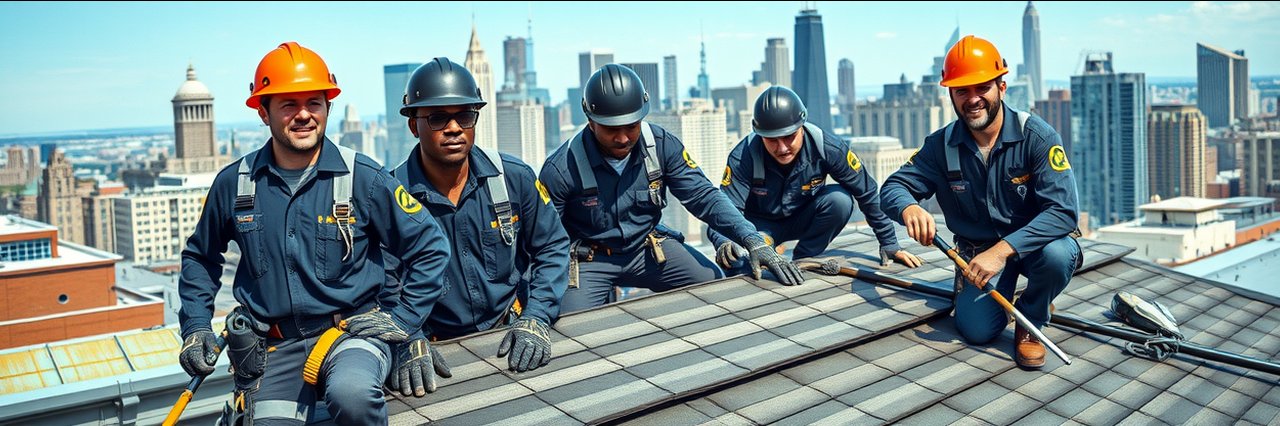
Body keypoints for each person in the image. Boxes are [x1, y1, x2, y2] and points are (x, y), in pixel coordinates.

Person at [177, 41, 451, 424]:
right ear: (263, 111)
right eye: (289, 104)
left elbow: (430, 246)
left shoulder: (362, 178)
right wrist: (195, 326)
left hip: (352, 335)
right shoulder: (236, 185)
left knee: (352, 396)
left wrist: (404, 319)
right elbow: (200, 258)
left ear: (327, 108)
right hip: (275, 346)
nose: (303, 115)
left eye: (315, 103)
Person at [879, 35, 1081, 369]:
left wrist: (1001, 252)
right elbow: (893, 187)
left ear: (1001, 87)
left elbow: (1064, 212)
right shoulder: (940, 146)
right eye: (962, 91)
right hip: (976, 253)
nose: (973, 99)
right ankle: (1011, 299)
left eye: (982, 88)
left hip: (1034, 248)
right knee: (975, 329)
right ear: (951, 96)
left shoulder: (1038, 137)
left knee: (1059, 255)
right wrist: (909, 206)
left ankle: (1032, 319)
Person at [539, 64, 805, 312]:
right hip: (591, 260)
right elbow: (544, 241)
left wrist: (752, 240)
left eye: (631, 127)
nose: (622, 138)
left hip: (647, 248)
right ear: (590, 120)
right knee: (571, 324)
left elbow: (704, 197)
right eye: (611, 129)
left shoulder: (661, 146)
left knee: (712, 284)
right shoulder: (561, 169)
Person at [384, 58, 571, 395]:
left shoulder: (512, 178)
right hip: (433, 352)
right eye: (438, 118)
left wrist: (537, 316)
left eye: (465, 115)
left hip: (509, 334)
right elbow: (380, 283)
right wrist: (407, 340)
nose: (454, 127)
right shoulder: (389, 197)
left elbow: (552, 246)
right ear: (414, 125)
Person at [708, 86, 922, 271]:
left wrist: (890, 243)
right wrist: (725, 243)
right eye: (772, 140)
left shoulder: (827, 148)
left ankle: (803, 259)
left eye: (789, 137)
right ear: (759, 133)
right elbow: (724, 211)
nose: (782, 148)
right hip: (759, 230)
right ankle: (765, 253)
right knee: (741, 267)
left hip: (804, 217)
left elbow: (866, 192)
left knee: (839, 200)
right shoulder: (743, 156)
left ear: (801, 126)